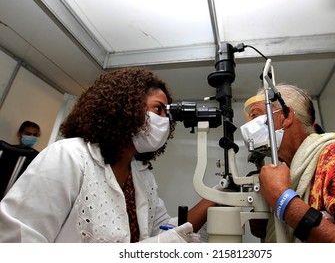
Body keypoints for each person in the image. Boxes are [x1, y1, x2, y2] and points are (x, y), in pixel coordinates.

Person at [0, 68, 214, 243]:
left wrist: (215, 198)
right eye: (158, 109)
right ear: (125, 107)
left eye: (167, 114)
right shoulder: (68, 156)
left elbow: (164, 233)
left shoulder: (141, 176)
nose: (164, 120)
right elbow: (18, 241)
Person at [241, 83, 335, 242]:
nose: (248, 127)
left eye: (256, 116)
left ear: (285, 116)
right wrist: (269, 221)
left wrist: (284, 202)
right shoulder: (292, 174)